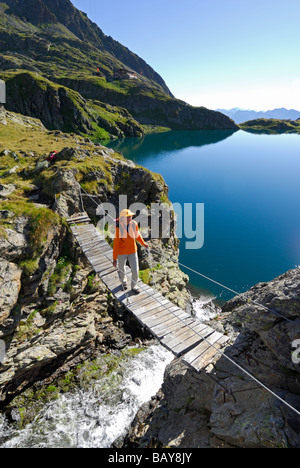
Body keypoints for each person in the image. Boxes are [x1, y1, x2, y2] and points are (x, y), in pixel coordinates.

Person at [113, 209, 148, 293]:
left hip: (133, 250)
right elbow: (116, 244)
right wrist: (114, 258)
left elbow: (137, 235)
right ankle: (124, 282)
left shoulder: (134, 224)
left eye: (130, 216)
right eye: (128, 217)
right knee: (121, 268)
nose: (130, 218)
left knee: (135, 270)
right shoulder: (119, 228)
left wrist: (143, 244)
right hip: (122, 251)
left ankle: (134, 286)